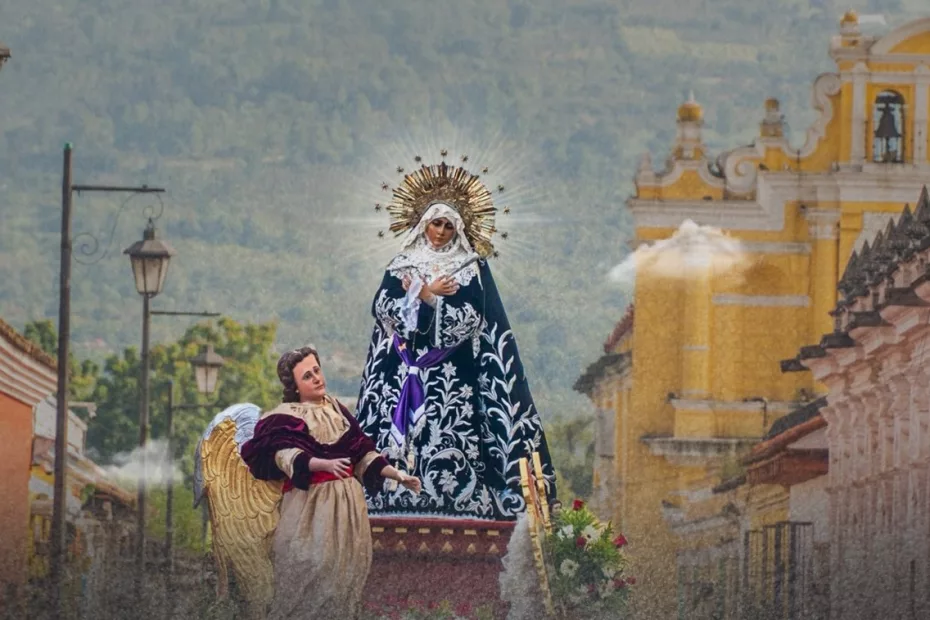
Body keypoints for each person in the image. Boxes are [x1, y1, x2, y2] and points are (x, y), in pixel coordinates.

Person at [355, 163, 556, 521]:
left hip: (450, 375)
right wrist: (426, 291)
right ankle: (387, 497)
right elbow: (383, 310)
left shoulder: (470, 266)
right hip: (400, 371)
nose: (441, 232)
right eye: (436, 223)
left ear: (459, 228)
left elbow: (469, 321)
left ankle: (453, 498)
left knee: (449, 436)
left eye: (449, 225)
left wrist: (429, 301)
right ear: (423, 222)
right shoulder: (401, 262)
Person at [240, 346, 421, 619]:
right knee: (309, 568)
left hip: (348, 509)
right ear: (295, 386)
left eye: (317, 370)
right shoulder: (284, 416)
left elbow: (361, 451)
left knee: (345, 571)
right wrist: (323, 464)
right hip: (311, 507)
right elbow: (285, 455)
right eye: (306, 376)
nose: (316, 378)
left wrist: (397, 475)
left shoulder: (336, 408)